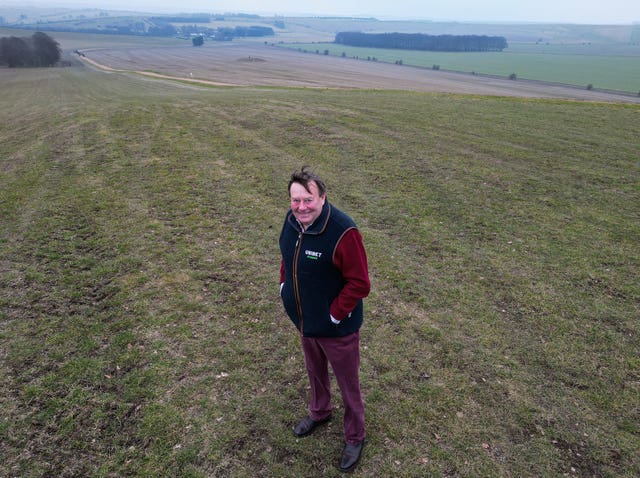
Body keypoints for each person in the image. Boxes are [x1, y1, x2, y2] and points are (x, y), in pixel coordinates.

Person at [279, 166, 371, 472]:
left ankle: (355, 435)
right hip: (305, 321)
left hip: (337, 328)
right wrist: (284, 286)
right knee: (314, 370)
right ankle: (320, 412)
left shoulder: (344, 231)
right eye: (295, 200)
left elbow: (359, 283)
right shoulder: (292, 221)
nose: (301, 207)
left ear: (322, 197)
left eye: (308, 200)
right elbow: (286, 255)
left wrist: (334, 315)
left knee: (348, 383)